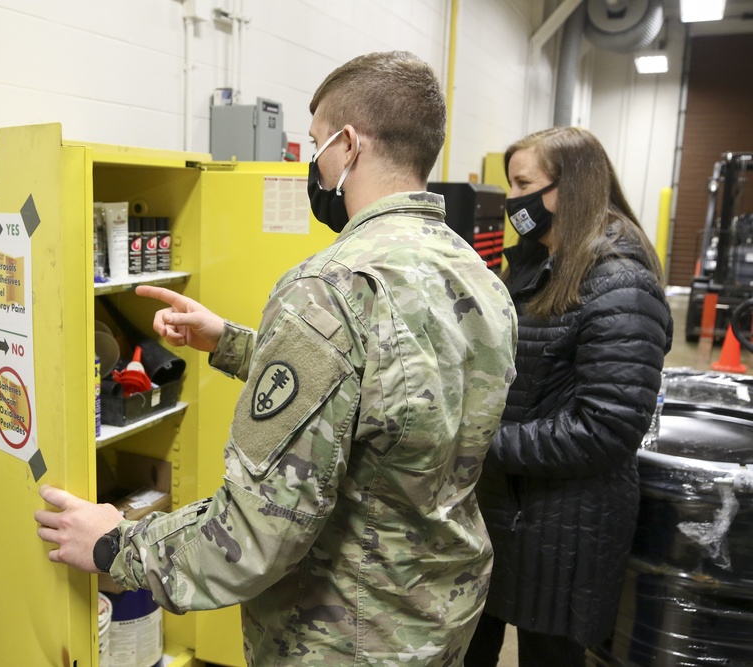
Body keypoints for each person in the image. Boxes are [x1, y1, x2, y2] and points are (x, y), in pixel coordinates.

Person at [35, 50, 518, 665]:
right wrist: (232, 342)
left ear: (347, 145)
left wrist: (114, 546)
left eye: (315, 144)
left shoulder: (330, 288)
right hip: (438, 616)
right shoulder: (476, 275)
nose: (311, 164)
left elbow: (254, 537)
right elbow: (395, 395)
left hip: (343, 636)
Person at [462, 127, 673, 667]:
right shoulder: (531, 265)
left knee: (548, 654)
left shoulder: (619, 282)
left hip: (567, 525)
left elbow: (606, 429)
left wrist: (481, 444)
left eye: (523, 184)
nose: (513, 200)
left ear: (570, 188)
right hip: (504, 508)